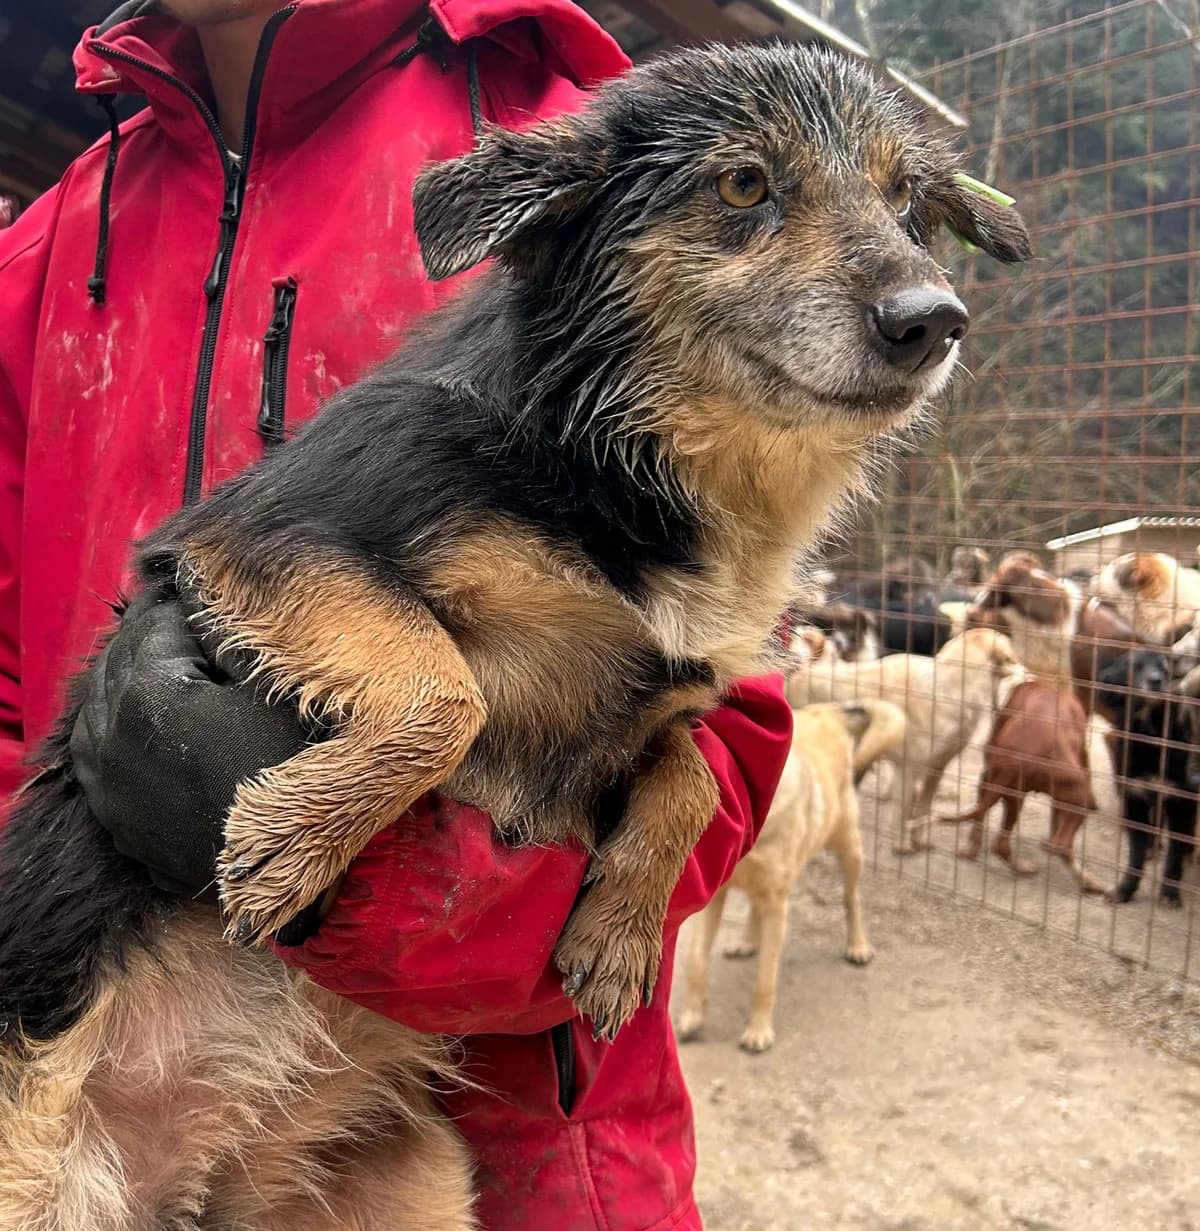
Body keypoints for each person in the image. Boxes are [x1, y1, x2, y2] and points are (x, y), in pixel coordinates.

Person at [0, 1, 793, 1226]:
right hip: (75, 1030)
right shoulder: (47, 246)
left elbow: (719, 735)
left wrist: (394, 893)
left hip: (422, 1123)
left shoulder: (623, 164)